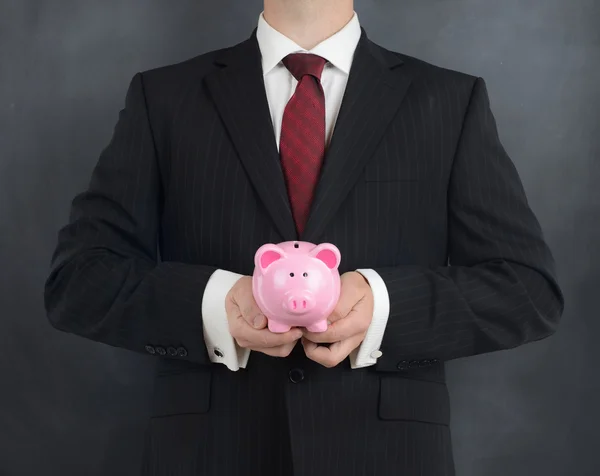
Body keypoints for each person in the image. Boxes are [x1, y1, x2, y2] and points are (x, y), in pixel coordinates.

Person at [44, 0, 565, 475]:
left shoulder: (449, 100)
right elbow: (79, 280)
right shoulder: (164, 97)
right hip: (208, 451)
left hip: (389, 456)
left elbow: (525, 291)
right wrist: (215, 305)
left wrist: (381, 305)